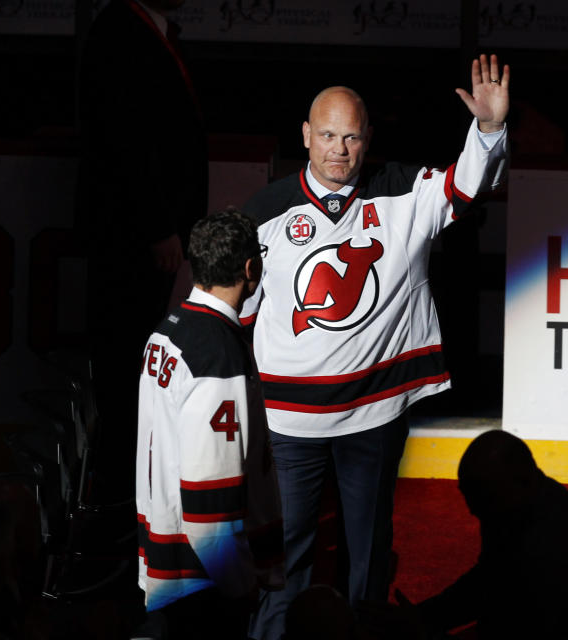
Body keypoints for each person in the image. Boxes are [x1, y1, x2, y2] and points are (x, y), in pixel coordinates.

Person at [242, 55, 509, 639]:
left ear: (368, 141)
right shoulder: (262, 214)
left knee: (368, 551)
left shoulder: (402, 194)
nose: (340, 149)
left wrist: (488, 131)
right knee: (287, 557)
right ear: (306, 137)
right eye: (329, 136)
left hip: (372, 415)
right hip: (288, 421)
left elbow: (467, 183)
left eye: (352, 137)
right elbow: (237, 312)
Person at [76, 0, 207, 502]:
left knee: (132, 359)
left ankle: (128, 491)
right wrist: (158, 227)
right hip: (130, 238)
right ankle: (122, 498)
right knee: (124, 362)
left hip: (142, 234)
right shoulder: (119, 30)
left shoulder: (144, 30)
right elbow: (126, 140)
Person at [135, 209, 283, 639]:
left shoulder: (167, 331)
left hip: (168, 565)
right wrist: (239, 584)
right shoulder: (218, 355)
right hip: (202, 581)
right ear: (250, 268)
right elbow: (209, 505)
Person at [406, 430, 568, 640]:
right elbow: (489, 578)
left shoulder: (546, 549)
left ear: (524, 481)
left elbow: (511, 620)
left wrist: (425, 629)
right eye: (467, 495)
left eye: (481, 498)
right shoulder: (517, 500)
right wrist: (424, 616)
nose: (472, 510)